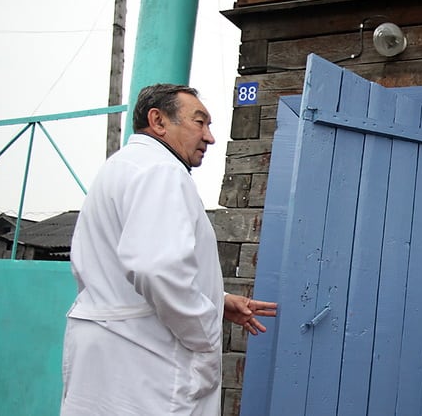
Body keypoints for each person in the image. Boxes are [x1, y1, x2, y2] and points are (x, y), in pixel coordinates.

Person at [60, 83, 277, 415]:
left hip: (111, 353)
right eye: (199, 122)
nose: (209, 137)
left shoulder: (122, 166)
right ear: (158, 121)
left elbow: (126, 271)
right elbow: (156, 268)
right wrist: (205, 332)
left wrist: (217, 301)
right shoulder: (161, 170)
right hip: (147, 364)